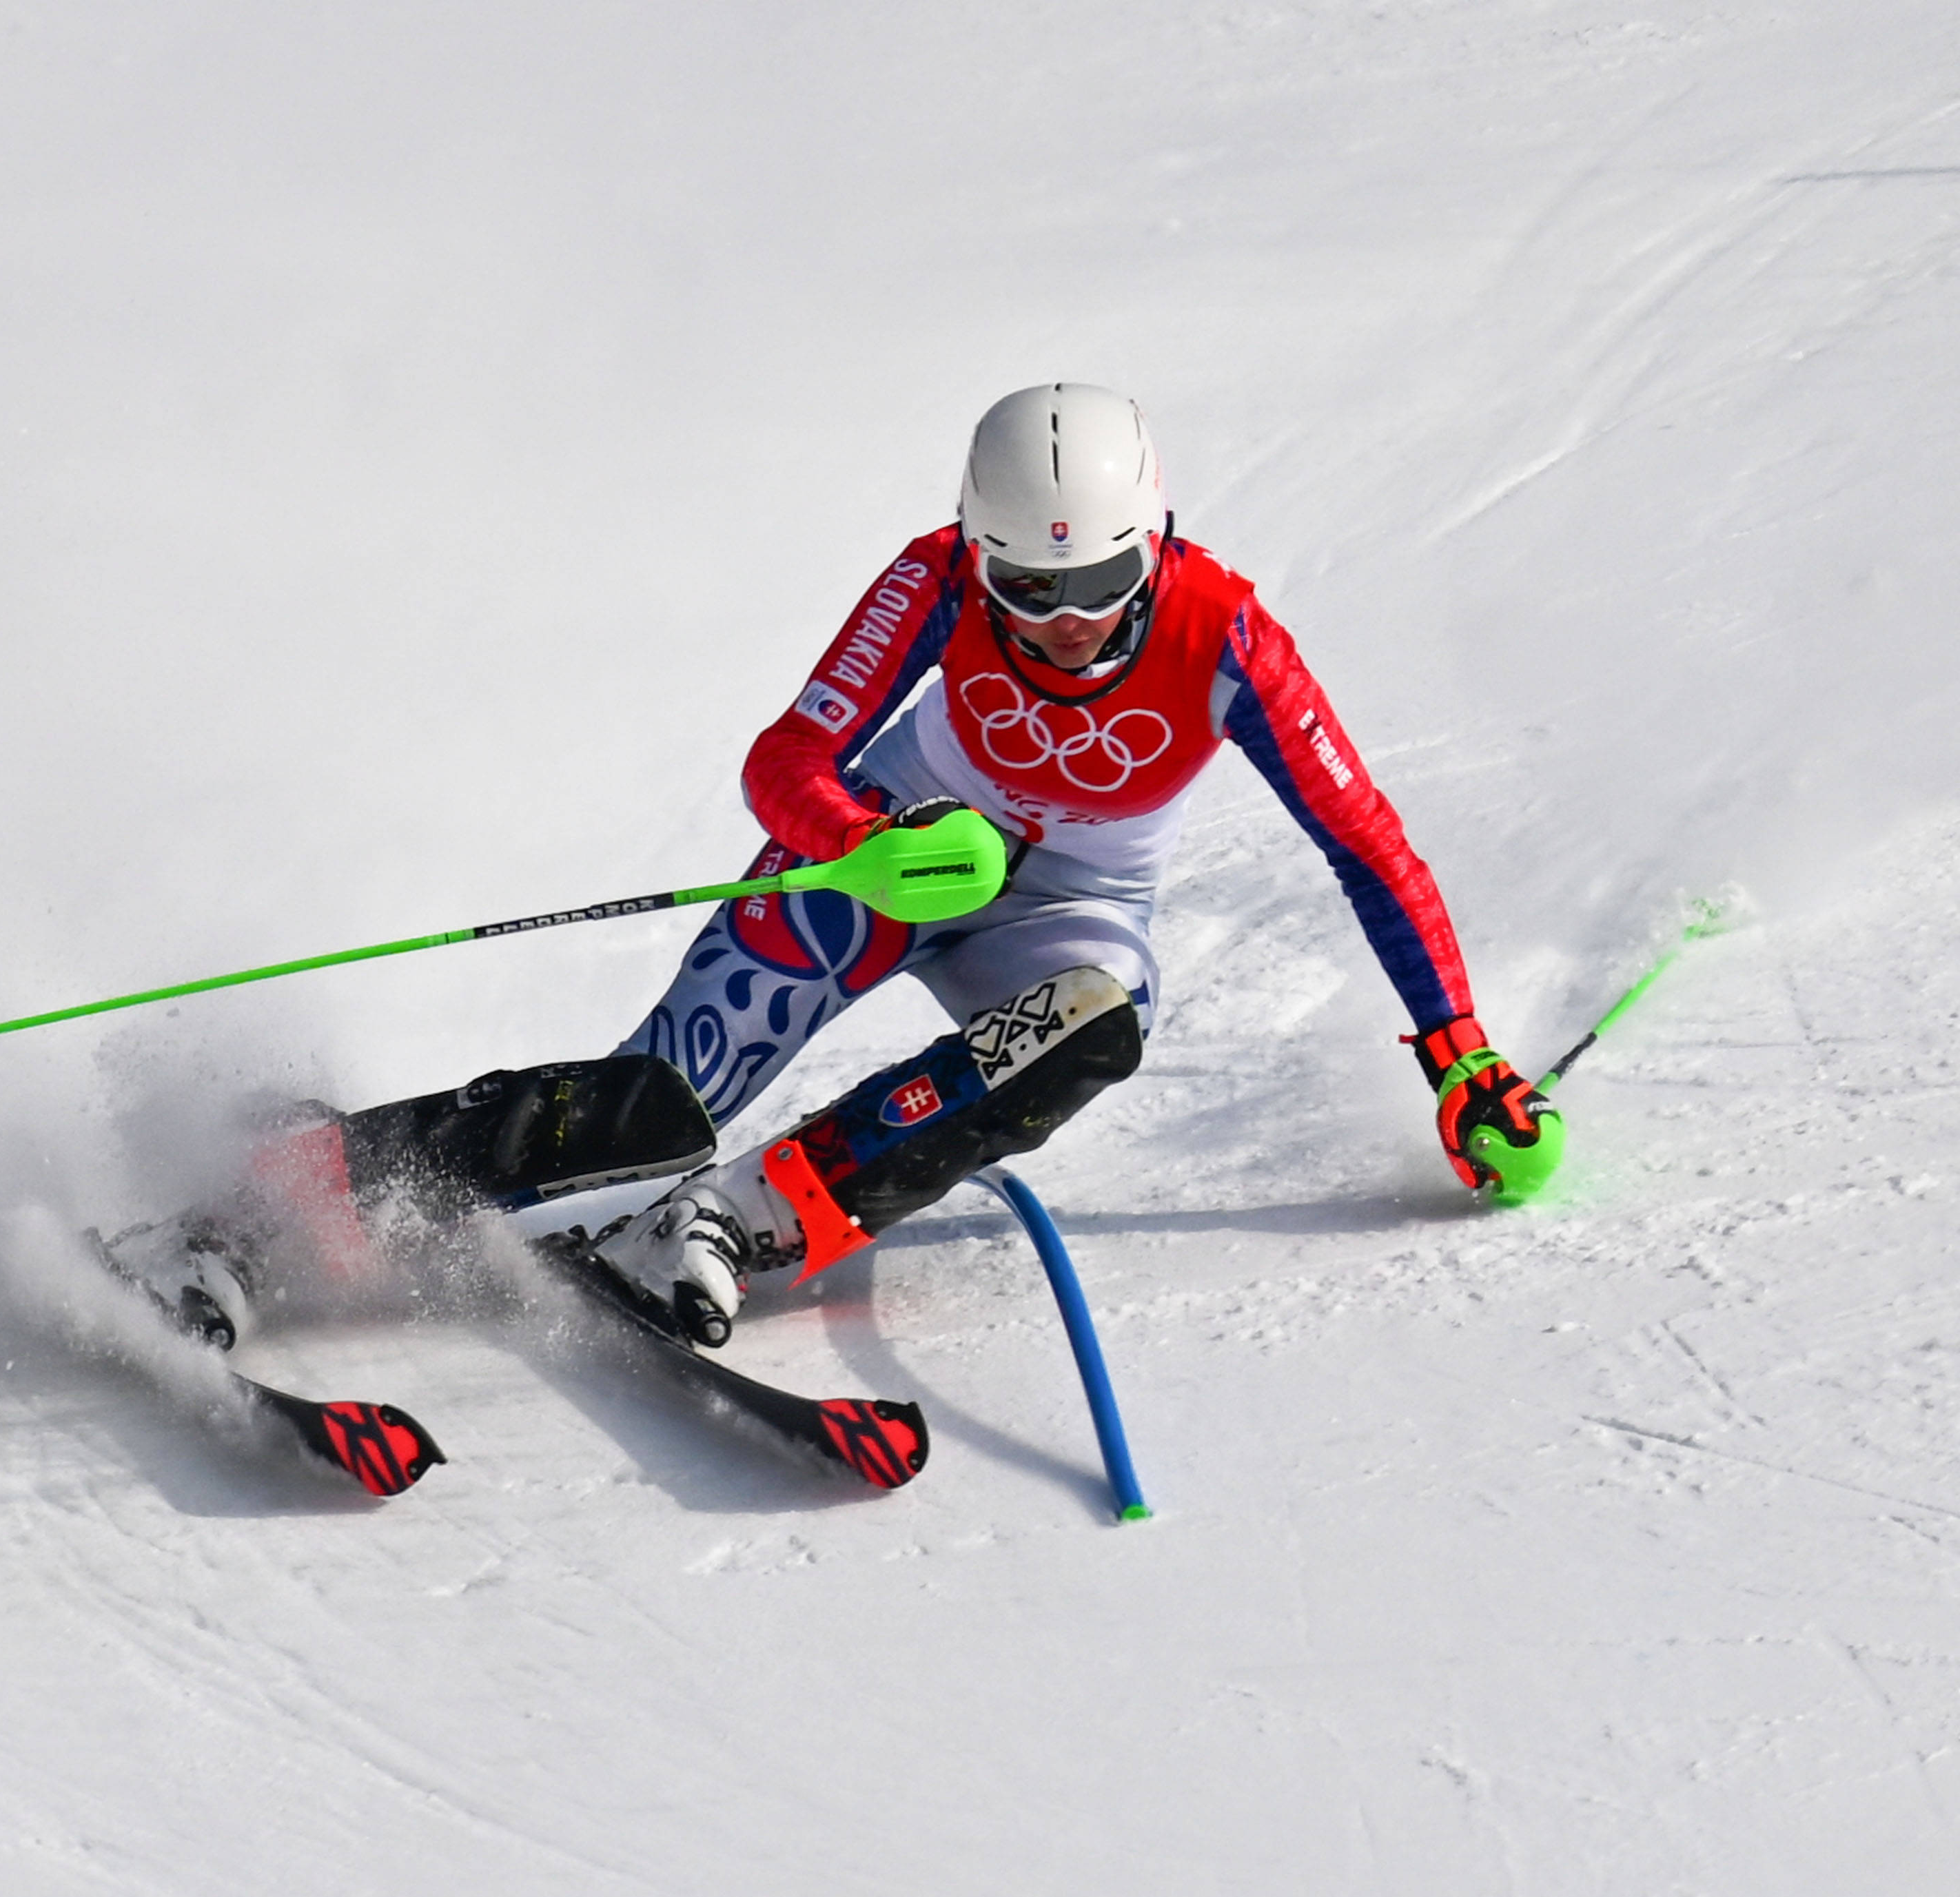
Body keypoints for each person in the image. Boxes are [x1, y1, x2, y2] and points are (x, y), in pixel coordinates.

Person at [593, 382, 1560, 1344]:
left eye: (1105, 582)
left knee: (1102, 1011)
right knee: (655, 1113)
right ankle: (517, 1169)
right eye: (1029, 587)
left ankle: (735, 1220)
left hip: (1063, 913)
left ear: (1159, 539)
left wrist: (1458, 1050)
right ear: (980, 553)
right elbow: (787, 758)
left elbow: (1364, 844)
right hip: (897, 847)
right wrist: (858, 842)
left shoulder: (1229, 640)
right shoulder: (936, 576)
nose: (1071, 621)